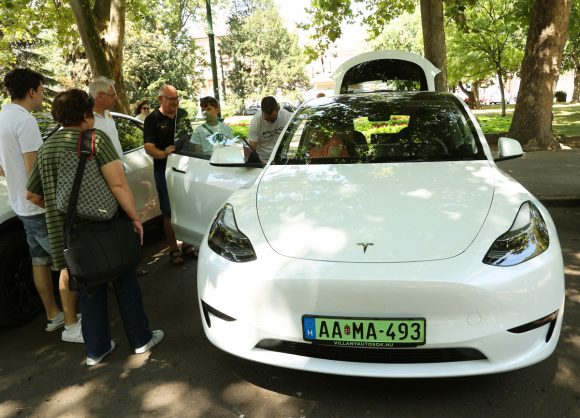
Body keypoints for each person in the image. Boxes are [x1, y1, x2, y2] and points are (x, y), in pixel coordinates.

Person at [26, 89, 164, 366]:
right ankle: (140, 339)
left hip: (70, 235)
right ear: (87, 114)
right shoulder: (95, 140)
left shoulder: (47, 148)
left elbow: (33, 196)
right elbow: (118, 183)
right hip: (107, 226)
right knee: (124, 279)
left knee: (89, 286)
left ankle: (96, 350)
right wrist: (136, 218)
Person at [0, 68, 82, 342]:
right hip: (38, 207)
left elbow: (5, 168)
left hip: (20, 205)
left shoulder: (2, 117)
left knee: (39, 260)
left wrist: (15, 181)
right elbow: (34, 169)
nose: (44, 95)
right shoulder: (25, 121)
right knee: (66, 262)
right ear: (32, 91)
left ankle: (53, 316)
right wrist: (47, 200)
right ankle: (72, 325)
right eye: (42, 90)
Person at [144, 84, 195, 265]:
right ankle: (174, 249)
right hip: (163, 172)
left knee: (186, 207)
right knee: (168, 211)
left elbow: (191, 139)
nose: (175, 102)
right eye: (171, 99)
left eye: (177, 98)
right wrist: (164, 153)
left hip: (186, 170)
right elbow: (149, 148)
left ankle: (188, 245)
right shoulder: (152, 119)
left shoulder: (182, 116)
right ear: (161, 99)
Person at [248, 96, 292, 162]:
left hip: (281, 158)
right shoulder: (255, 122)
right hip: (262, 159)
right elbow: (252, 148)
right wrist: (258, 162)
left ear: (278, 109)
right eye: (267, 119)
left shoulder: (287, 117)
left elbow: (290, 137)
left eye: (273, 118)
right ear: (262, 112)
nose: (270, 121)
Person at [88, 77, 123, 158]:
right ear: (100, 95)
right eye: (112, 95)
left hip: (119, 166)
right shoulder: (87, 120)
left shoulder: (108, 114)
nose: (115, 98)